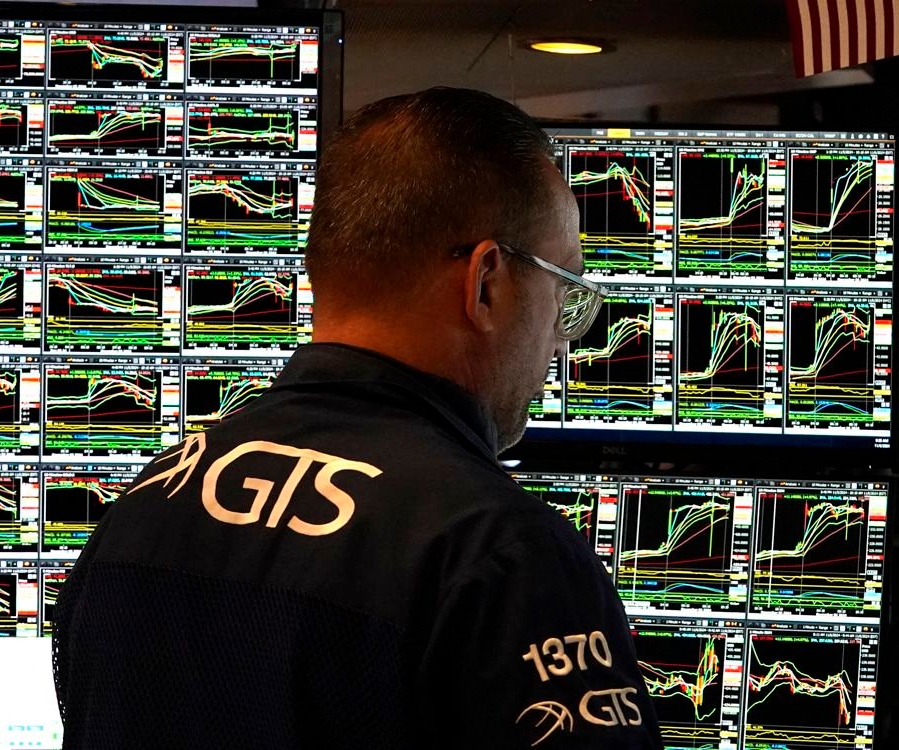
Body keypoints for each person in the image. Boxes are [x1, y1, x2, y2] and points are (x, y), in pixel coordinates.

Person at [52, 87, 663, 749]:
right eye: (562, 287)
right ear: (486, 281)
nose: (559, 337)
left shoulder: (145, 507)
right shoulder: (499, 554)